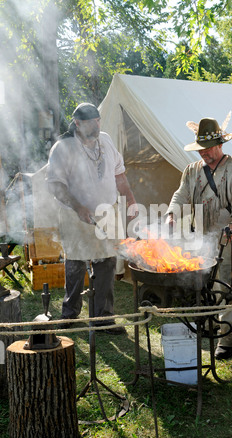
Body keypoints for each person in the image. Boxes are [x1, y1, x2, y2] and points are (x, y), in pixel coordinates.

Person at [165, 115, 232, 359]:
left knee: (227, 290)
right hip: (201, 243)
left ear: (219, 145)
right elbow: (180, 195)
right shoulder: (192, 170)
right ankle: (207, 327)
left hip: (229, 242)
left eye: (207, 149)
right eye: (200, 149)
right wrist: (172, 214)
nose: (203, 153)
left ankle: (227, 339)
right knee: (203, 289)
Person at [46, 102, 137, 334]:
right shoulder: (63, 148)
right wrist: (78, 207)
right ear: (77, 123)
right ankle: (70, 315)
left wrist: (130, 198)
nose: (96, 126)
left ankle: (103, 319)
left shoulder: (104, 139)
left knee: (106, 263)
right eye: (90, 123)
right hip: (74, 215)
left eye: (98, 121)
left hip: (108, 211)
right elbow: (55, 185)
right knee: (76, 264)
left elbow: (119, 172)